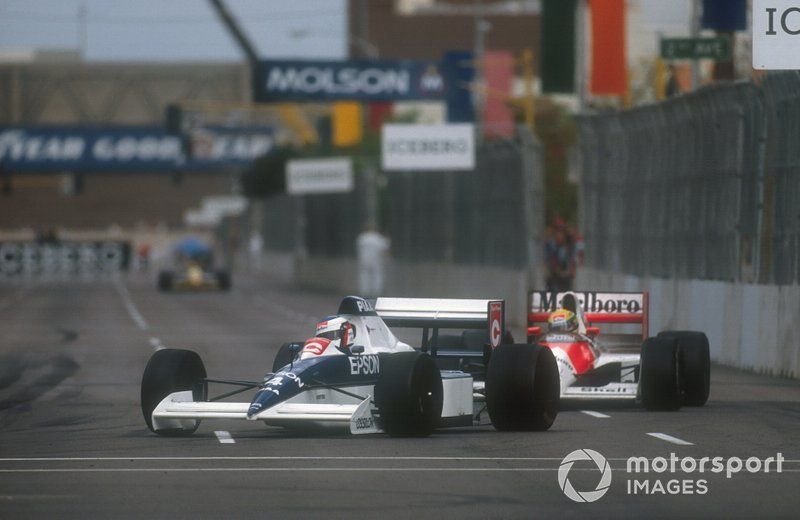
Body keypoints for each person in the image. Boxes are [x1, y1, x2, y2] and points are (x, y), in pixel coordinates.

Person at [356, 224, 390, 298]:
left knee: (364, 277)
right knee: (377, 276)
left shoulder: (362, 238)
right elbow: (385, 250)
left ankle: (364, 294)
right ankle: (376, 294)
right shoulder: (379, 238)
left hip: (364, 260)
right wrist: (386, 260)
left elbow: (358, 249)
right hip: (376, 260)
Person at [544, 216, 576, 292]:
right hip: (554, 277)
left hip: (566, 277)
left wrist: (571, 271)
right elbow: (549, 260)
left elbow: (572, 261)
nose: (559, 235)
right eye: (557, 231)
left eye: (561, 232)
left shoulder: (569, 246)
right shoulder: (550, 244)